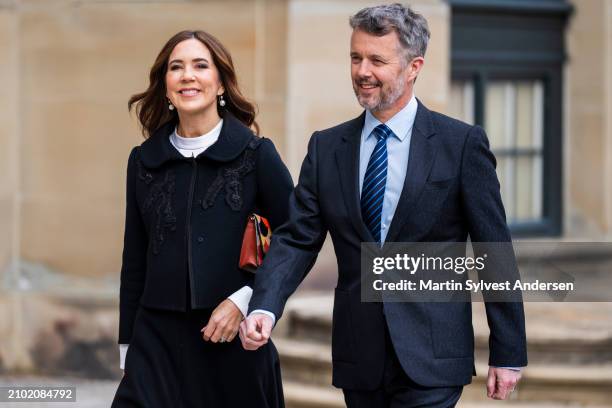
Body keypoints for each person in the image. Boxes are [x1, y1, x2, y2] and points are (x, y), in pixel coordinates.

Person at [240, 4, 527, 408]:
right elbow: (298, 238)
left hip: (433, 355)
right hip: (360, 355)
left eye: (377, 59)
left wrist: (509, 350)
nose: (362, 71)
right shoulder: (326, 147)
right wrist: (266, 306)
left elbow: (493, 251)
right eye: (356, 57)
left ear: (413, 67)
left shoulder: (461, 144)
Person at [111, 30, 293, 407]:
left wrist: (246, 300)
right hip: (155, 345)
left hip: (231, 344)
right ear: (165, 87)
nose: (187, 75)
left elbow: (295, 238)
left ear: (221, 83)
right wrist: (127, 346)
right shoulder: (143, 161)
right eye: (176, 67)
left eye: (200, 65)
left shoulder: (256, 155)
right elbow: (135, 259)